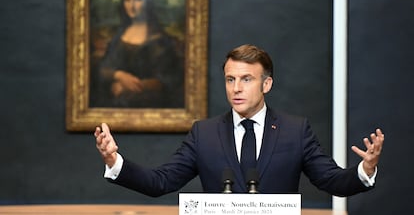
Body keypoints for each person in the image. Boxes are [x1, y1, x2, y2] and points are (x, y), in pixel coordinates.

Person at [95, 44, 384, 196]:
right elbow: (161, 182)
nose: (236, 87)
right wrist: (114, 162)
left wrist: (365, 169)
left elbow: (332, 181)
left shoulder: (295, 131)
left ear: (266, 84)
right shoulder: (203, 134)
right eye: (230, 79)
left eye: (246, 79)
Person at [95, 0, 184, 108]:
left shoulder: (160, 40)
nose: (132, 5)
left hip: (150, 104)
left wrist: (130, 86)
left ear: (148, 2)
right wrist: (119, 75)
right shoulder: (118, 37)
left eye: (138, 0)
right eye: (127, 0)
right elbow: (103, 68)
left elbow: (167, 80)